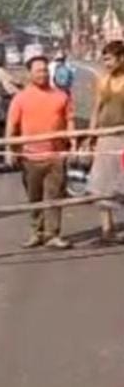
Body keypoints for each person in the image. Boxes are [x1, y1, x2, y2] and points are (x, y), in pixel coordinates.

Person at [6, 55, 74, 250]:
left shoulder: (61, 96)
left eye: (45, 70)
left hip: (56, 156)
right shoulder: (20, 98)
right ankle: (37, 232)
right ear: (29, 74)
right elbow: (12, 125)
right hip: (30, 157)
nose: (42, 74)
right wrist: (9, 149)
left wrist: (73, 142)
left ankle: (53, 234)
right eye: (38, 71)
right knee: (34, 197)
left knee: (55, 196)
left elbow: (69, 121)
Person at [86, 40, 124, 243]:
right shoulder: (103, 81)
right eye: (104, 60)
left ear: (121, 58)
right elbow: (96, 109)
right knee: (102, 184)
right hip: (106, 138)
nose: (106, 63)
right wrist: (90, 136)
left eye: (109, 59)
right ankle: (107, 230)